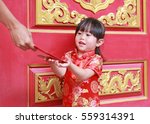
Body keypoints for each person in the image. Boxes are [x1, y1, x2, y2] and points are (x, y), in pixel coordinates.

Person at [47, 17, 105, 107]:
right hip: (69, 103)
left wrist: (70, 65)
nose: (82, 37)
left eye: (88, 35)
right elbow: (62, 73)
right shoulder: (69, 55)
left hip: (88, 106)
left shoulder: (96, 59)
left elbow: (83, 75)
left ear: (99, 42)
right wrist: (52, 64)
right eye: (79, 33)